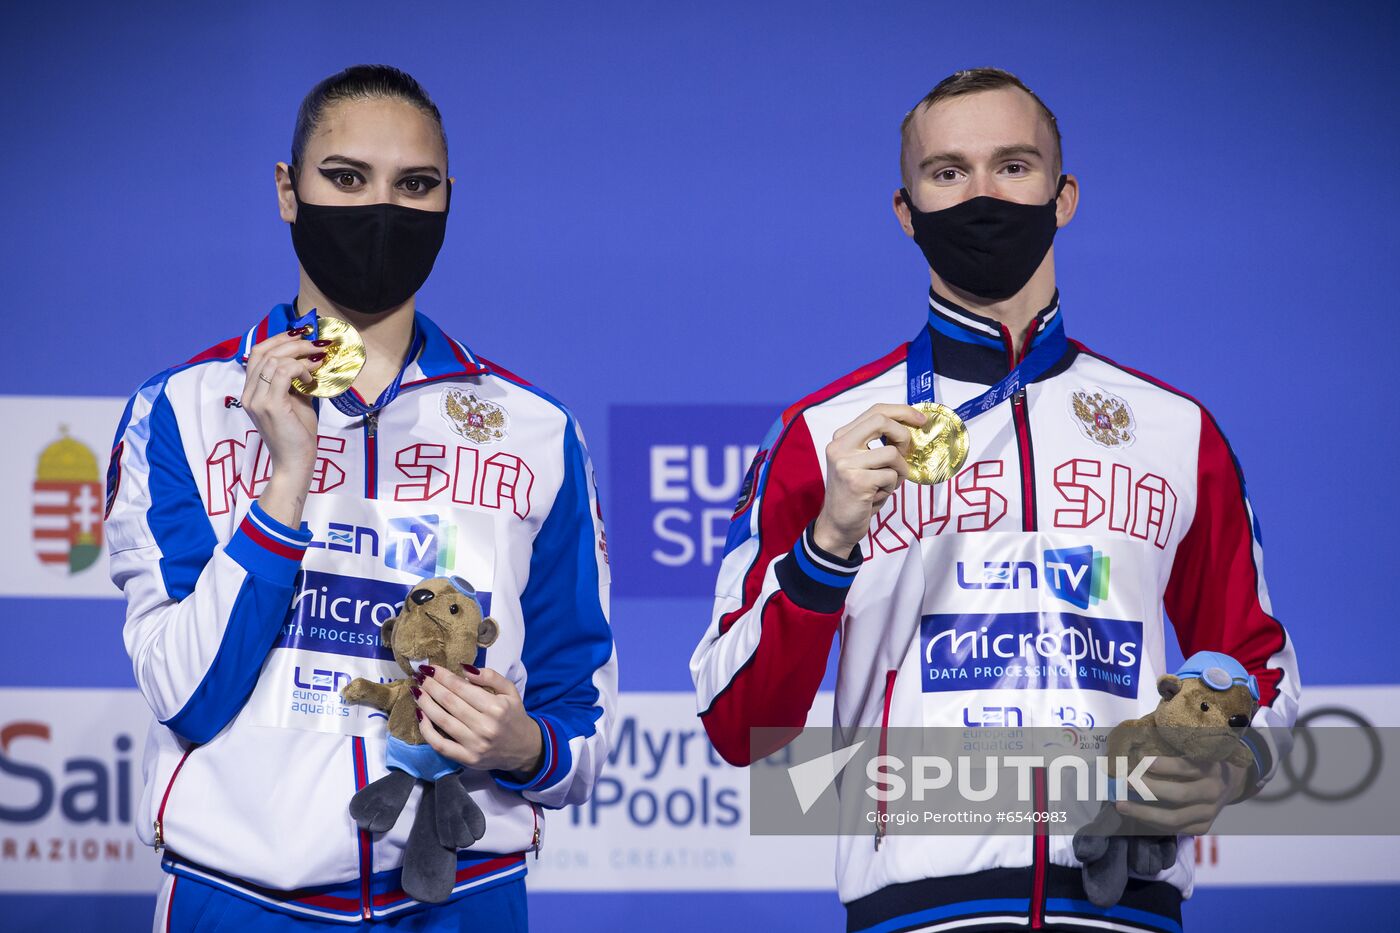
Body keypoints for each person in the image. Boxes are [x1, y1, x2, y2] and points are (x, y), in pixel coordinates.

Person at [690, 68, 1299, 932]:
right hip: (918, 906)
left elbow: (1256, 661)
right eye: (948, 173)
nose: (982, 194)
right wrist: (828, 544)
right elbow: (737, 720)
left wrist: (1234, 758)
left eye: (1013, 166)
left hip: (1125, 900)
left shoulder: (1176, 430)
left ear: (1064, 195)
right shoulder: (824, 433)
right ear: (906, 212)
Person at [106, 65, 615, 931]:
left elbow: (579, 709)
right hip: (240, 901)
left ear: (449, 199)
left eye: (413, 185)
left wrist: (525, 746)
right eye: (346, 178)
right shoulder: (182, 409)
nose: (380, 210)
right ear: (286, 190)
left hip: (464, 899)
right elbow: (187, 693)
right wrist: (286, 483)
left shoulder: (535, 427)